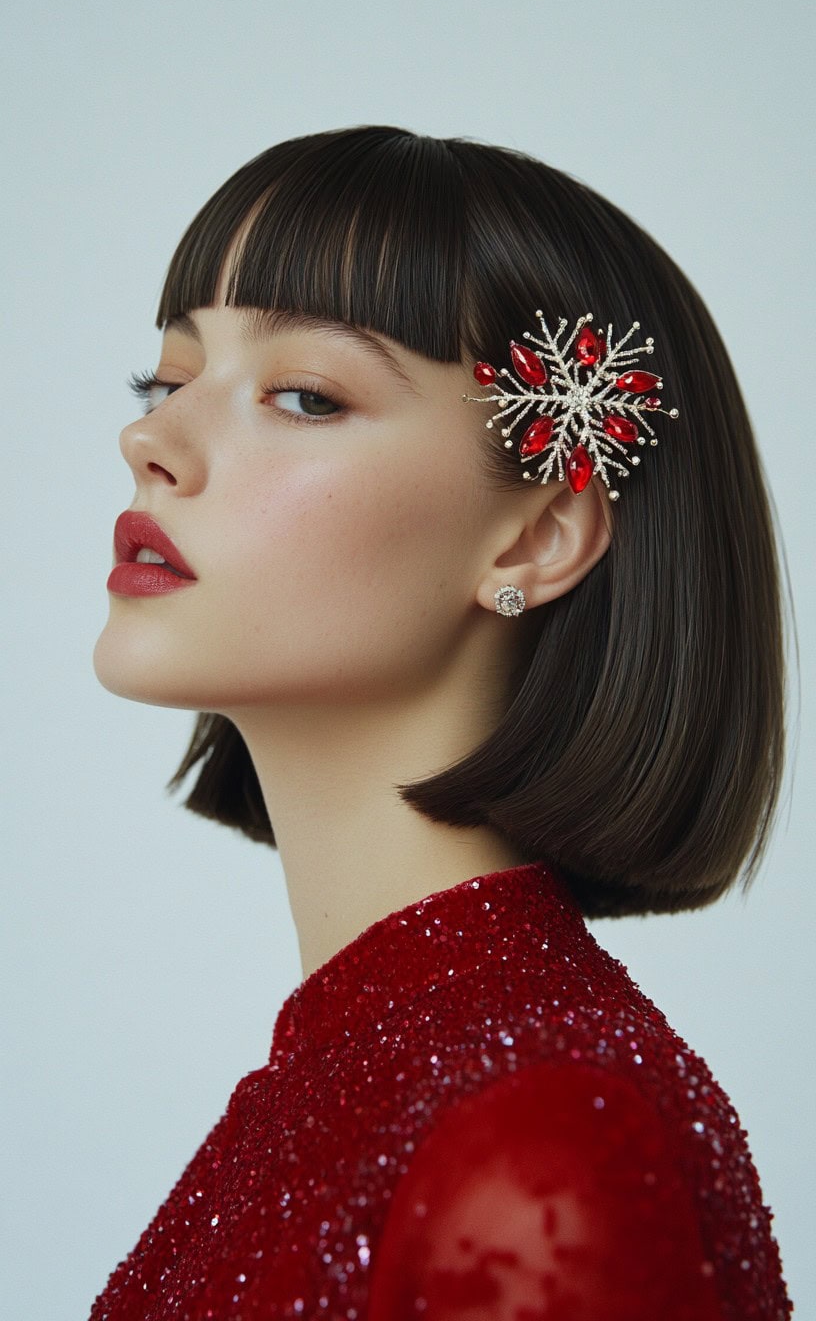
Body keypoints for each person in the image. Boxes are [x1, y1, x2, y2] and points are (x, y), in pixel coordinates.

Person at [89, 124, 792, 1319]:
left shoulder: (540, 1136)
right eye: (168, 378)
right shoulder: (353, 1078)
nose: (148, 440)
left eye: (304, 393)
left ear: (533, 538)